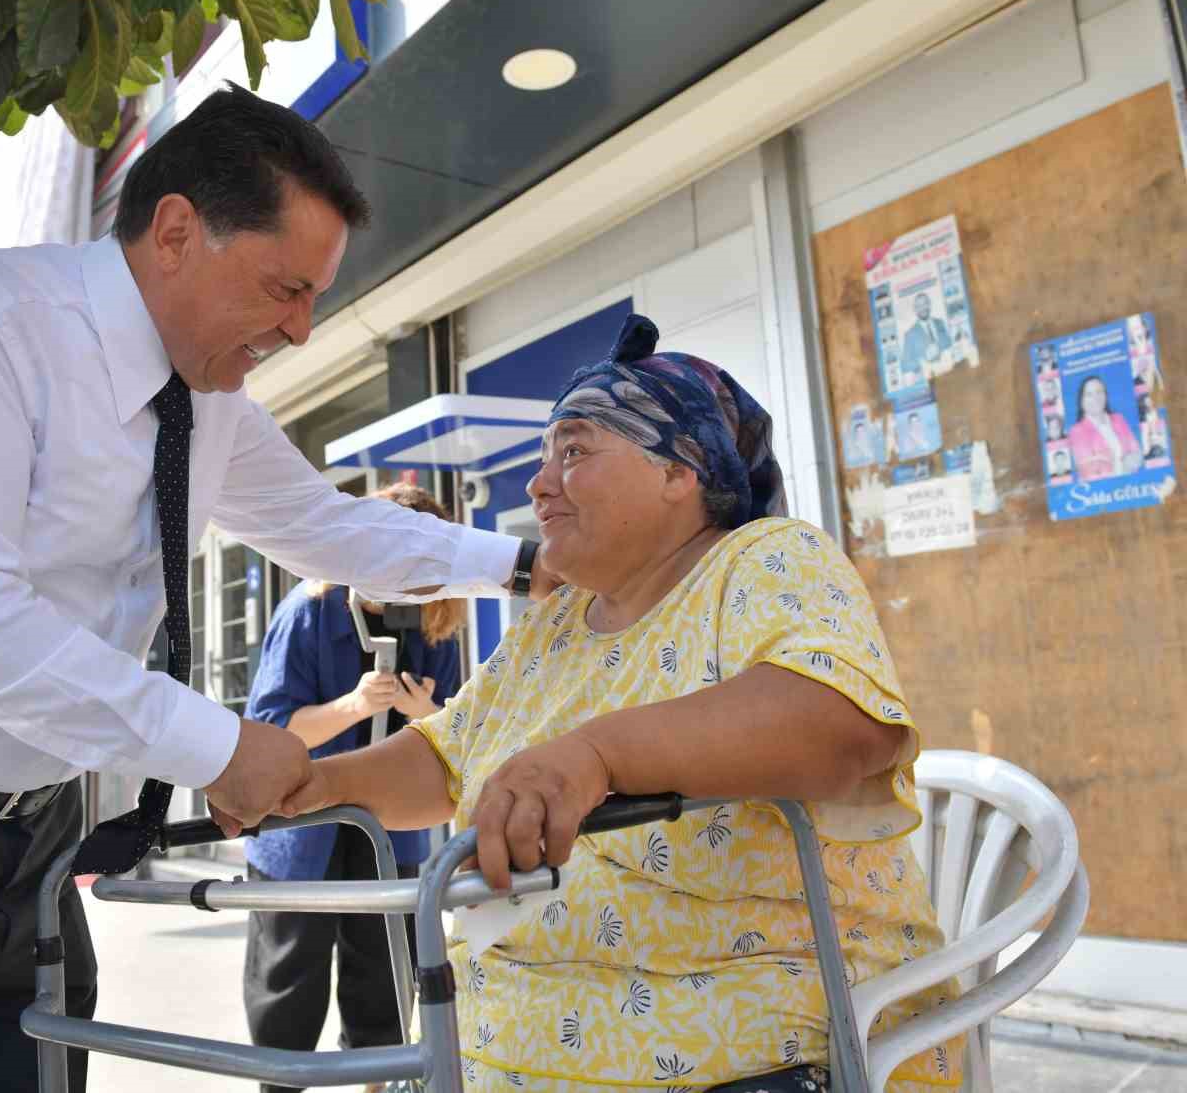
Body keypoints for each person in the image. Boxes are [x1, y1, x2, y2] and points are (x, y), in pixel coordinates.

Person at [0, 84, 549, 1093]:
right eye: (286, 290)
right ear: (177, 231)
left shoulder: (208, 396)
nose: (304, 332)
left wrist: (523, 564)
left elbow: (325, 525)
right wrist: (218, 746)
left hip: (28, 845)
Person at [283, 315, 962, 1092]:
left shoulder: (766, 559)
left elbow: (841, 723)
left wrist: (595, 756)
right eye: (544, 458)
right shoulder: (558, 619)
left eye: (573, 451)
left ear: (683, 470)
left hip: (762, 1053)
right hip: (494, 1045)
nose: (540, 485)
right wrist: (316, 781)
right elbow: (447, 754)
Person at [242, 482, 467, 1093]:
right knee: (288, 988)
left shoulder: (438, 619)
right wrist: (351, 705)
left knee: (385, 987)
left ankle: (381, 1085)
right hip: (301, 833)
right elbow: (270, 730)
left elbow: (460, 735)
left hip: (389, 833)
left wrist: (428, 716)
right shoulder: (309, 611)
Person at [1068, 375, 1142, 481]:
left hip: (1131, 484)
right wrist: (1123, 463)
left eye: (1099, 392)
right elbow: (1090, 472)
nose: (1096, 398)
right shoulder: (1077, 431)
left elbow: (1137, 454)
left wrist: (1110, 463)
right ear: (1082, 401)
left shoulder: (1119, 419)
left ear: (1105, 396)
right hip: (1102, 492)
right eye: (1089, 394)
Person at [899, 292, 949, 381]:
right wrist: (924, 359)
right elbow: (904, 366)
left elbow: (949, 342)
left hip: (949, 373)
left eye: (925, 303)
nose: (923, 308)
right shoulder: (910, 334)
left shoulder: (940, 322)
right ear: (915, 309)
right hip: (929, 380)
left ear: (929, 304)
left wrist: (939, 347)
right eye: (918, 306)